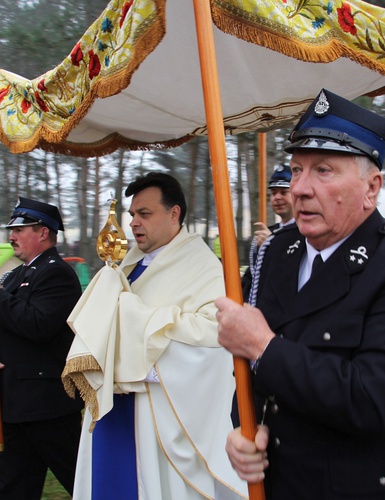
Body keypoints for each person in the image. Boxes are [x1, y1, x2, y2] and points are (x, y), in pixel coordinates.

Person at [216, 88, 385, 498]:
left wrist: (264, 347)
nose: (300, 189)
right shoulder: (278, 251)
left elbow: (373, 400)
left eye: (323, 171)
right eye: (296, 170)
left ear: (371, 188)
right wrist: (243, 428)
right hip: (282, 478)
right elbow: (251, 374)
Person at [61, 172, 246, 499]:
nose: (133, 223)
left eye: (144, 214)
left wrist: (136, 326)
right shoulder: (130, 263)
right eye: (132, 214)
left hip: (157, 413)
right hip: (113, 408)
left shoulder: (203, 267)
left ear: (174, 214)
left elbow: (215, 337)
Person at [0, 197, 84, 499]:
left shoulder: (57, 274)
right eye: (12, 230)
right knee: (14, 489)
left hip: (47, 408)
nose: (11, 236)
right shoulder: (14, 276)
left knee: (82, 483)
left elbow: (39, 325)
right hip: (12, 406)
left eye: (19, 229)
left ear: (43, 233)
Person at [241, 163, 295, 300]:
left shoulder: (306, 234)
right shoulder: (268, 232)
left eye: (284, 192)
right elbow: (253, 276)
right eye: (273, 193)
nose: (277, 197)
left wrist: (274, 245)